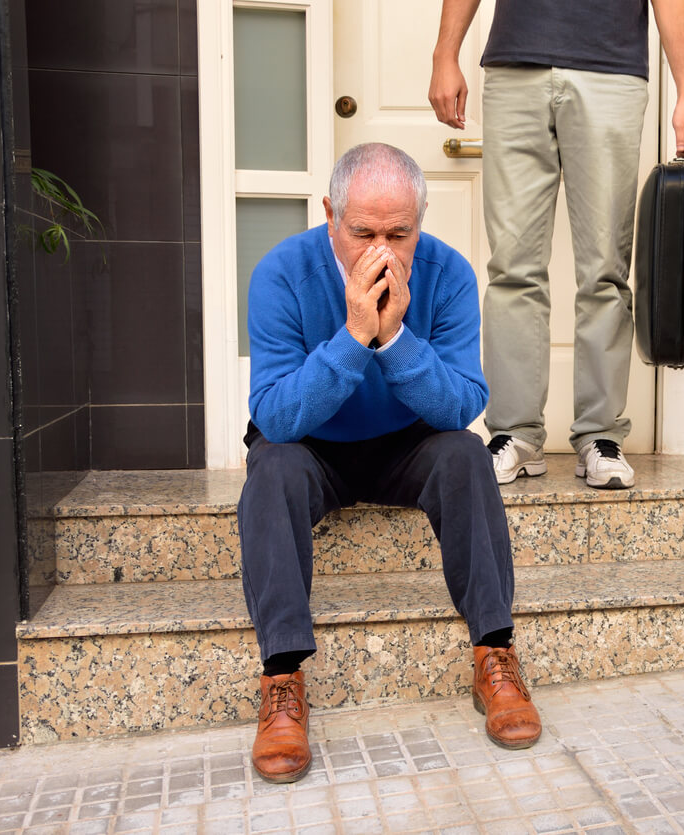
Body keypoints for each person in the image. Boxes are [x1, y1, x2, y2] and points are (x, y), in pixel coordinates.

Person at [238, 142, 542, 784]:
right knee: (271, 468)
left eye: (399, 234)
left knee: (466, 455)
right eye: (364, 232)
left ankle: (495, 654)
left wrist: (398, 339)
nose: (382, 250)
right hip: (311, 445)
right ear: (330, 215)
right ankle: (282, 680)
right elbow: (274, 417)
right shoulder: (280, 274)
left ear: (420, 224)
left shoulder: (449, 274)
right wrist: (353, 336)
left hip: (409, 442)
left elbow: (462, 404)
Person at [429, 0, 684, 489]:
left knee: (605, 270)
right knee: (513, 267)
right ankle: (515, 434)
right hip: (515, 68)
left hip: (611, 74)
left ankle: (600, 434)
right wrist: (444, 55)